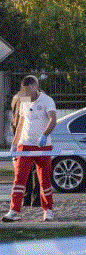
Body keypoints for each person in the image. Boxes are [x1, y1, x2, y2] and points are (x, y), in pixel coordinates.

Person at [3, 75, 56, 222]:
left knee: (44, 180)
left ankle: (48, 210)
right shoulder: (24, 100)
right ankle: (13, 210)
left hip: (43, 146)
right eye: (24, 90)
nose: (26, 94)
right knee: (19, 179)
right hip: (24, 145)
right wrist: (15, 143)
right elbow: (20, 122)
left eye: (29, 90)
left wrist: (45, 135)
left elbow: (53, 119)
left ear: (36, 87)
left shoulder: (47, 100)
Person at [11, 87, 40, 207]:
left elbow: (14, 120)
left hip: (19, 137)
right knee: (35, 169)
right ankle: (36, 199)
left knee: (23, 170)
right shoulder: (31, 98)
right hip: (30, 137)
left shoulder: (16, 97)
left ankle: (26, 198)